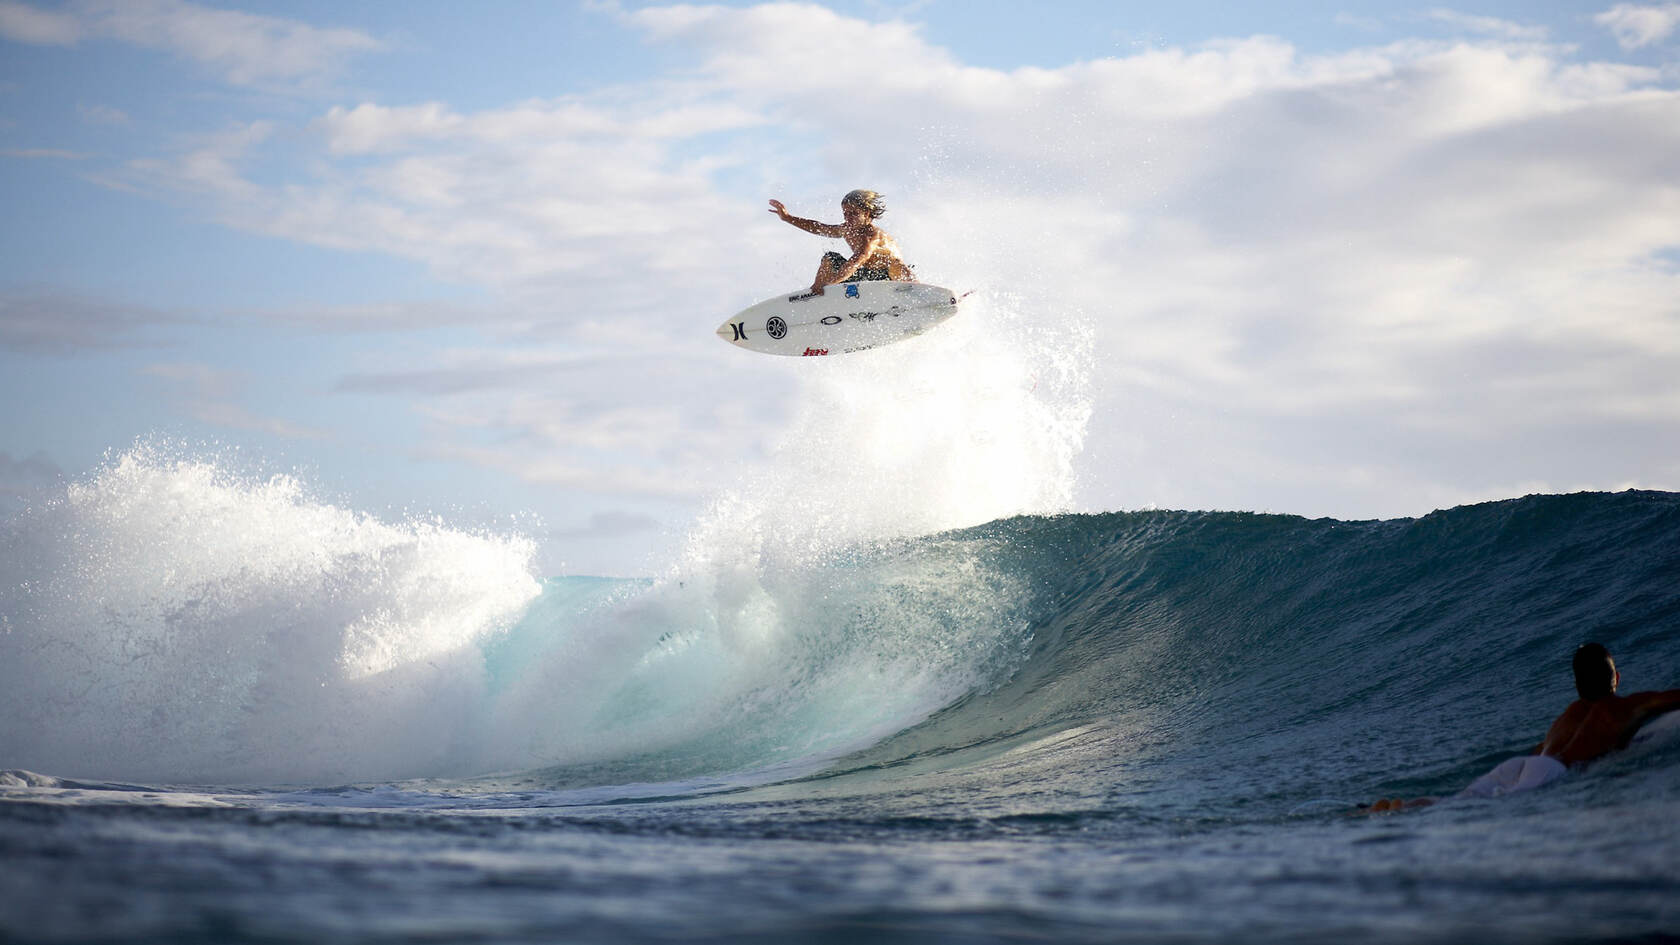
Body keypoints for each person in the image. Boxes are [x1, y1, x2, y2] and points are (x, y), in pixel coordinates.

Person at [1366, 643, 1680, 811]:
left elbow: (1542, 752)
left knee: (1460, 800)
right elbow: (1668, 699)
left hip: (1523, 763)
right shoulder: (1621, 706)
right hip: (1552, 771)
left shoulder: (1568, 714)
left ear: (1577, 684)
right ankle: (1405, 812)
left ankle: (1404, 806)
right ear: (1617, 678)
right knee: (1491, 807)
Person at [768, 190, 915, 295]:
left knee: (896, 265)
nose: (848, 218)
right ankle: (819, 293)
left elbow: (858, 260)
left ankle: (916, 291)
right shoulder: (847, 229)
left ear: (867, 214)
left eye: (854, 213)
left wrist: (834, 282)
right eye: (846, 213)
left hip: (888, 278)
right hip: (865, 277)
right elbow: (818, 227)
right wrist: (787, 218)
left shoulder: (872, 234)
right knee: (829, 258)